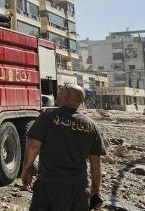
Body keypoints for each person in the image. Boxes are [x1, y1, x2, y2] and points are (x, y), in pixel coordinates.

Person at [21, 83, 107, 211]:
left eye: (60, 91)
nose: (57, 93)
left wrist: (26, 169)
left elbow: (33, 146)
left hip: (49, 186)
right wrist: (95, 191)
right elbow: (95, 162)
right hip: (78, 189)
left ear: (67, 97)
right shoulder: (92, 125)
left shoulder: (47, 116)